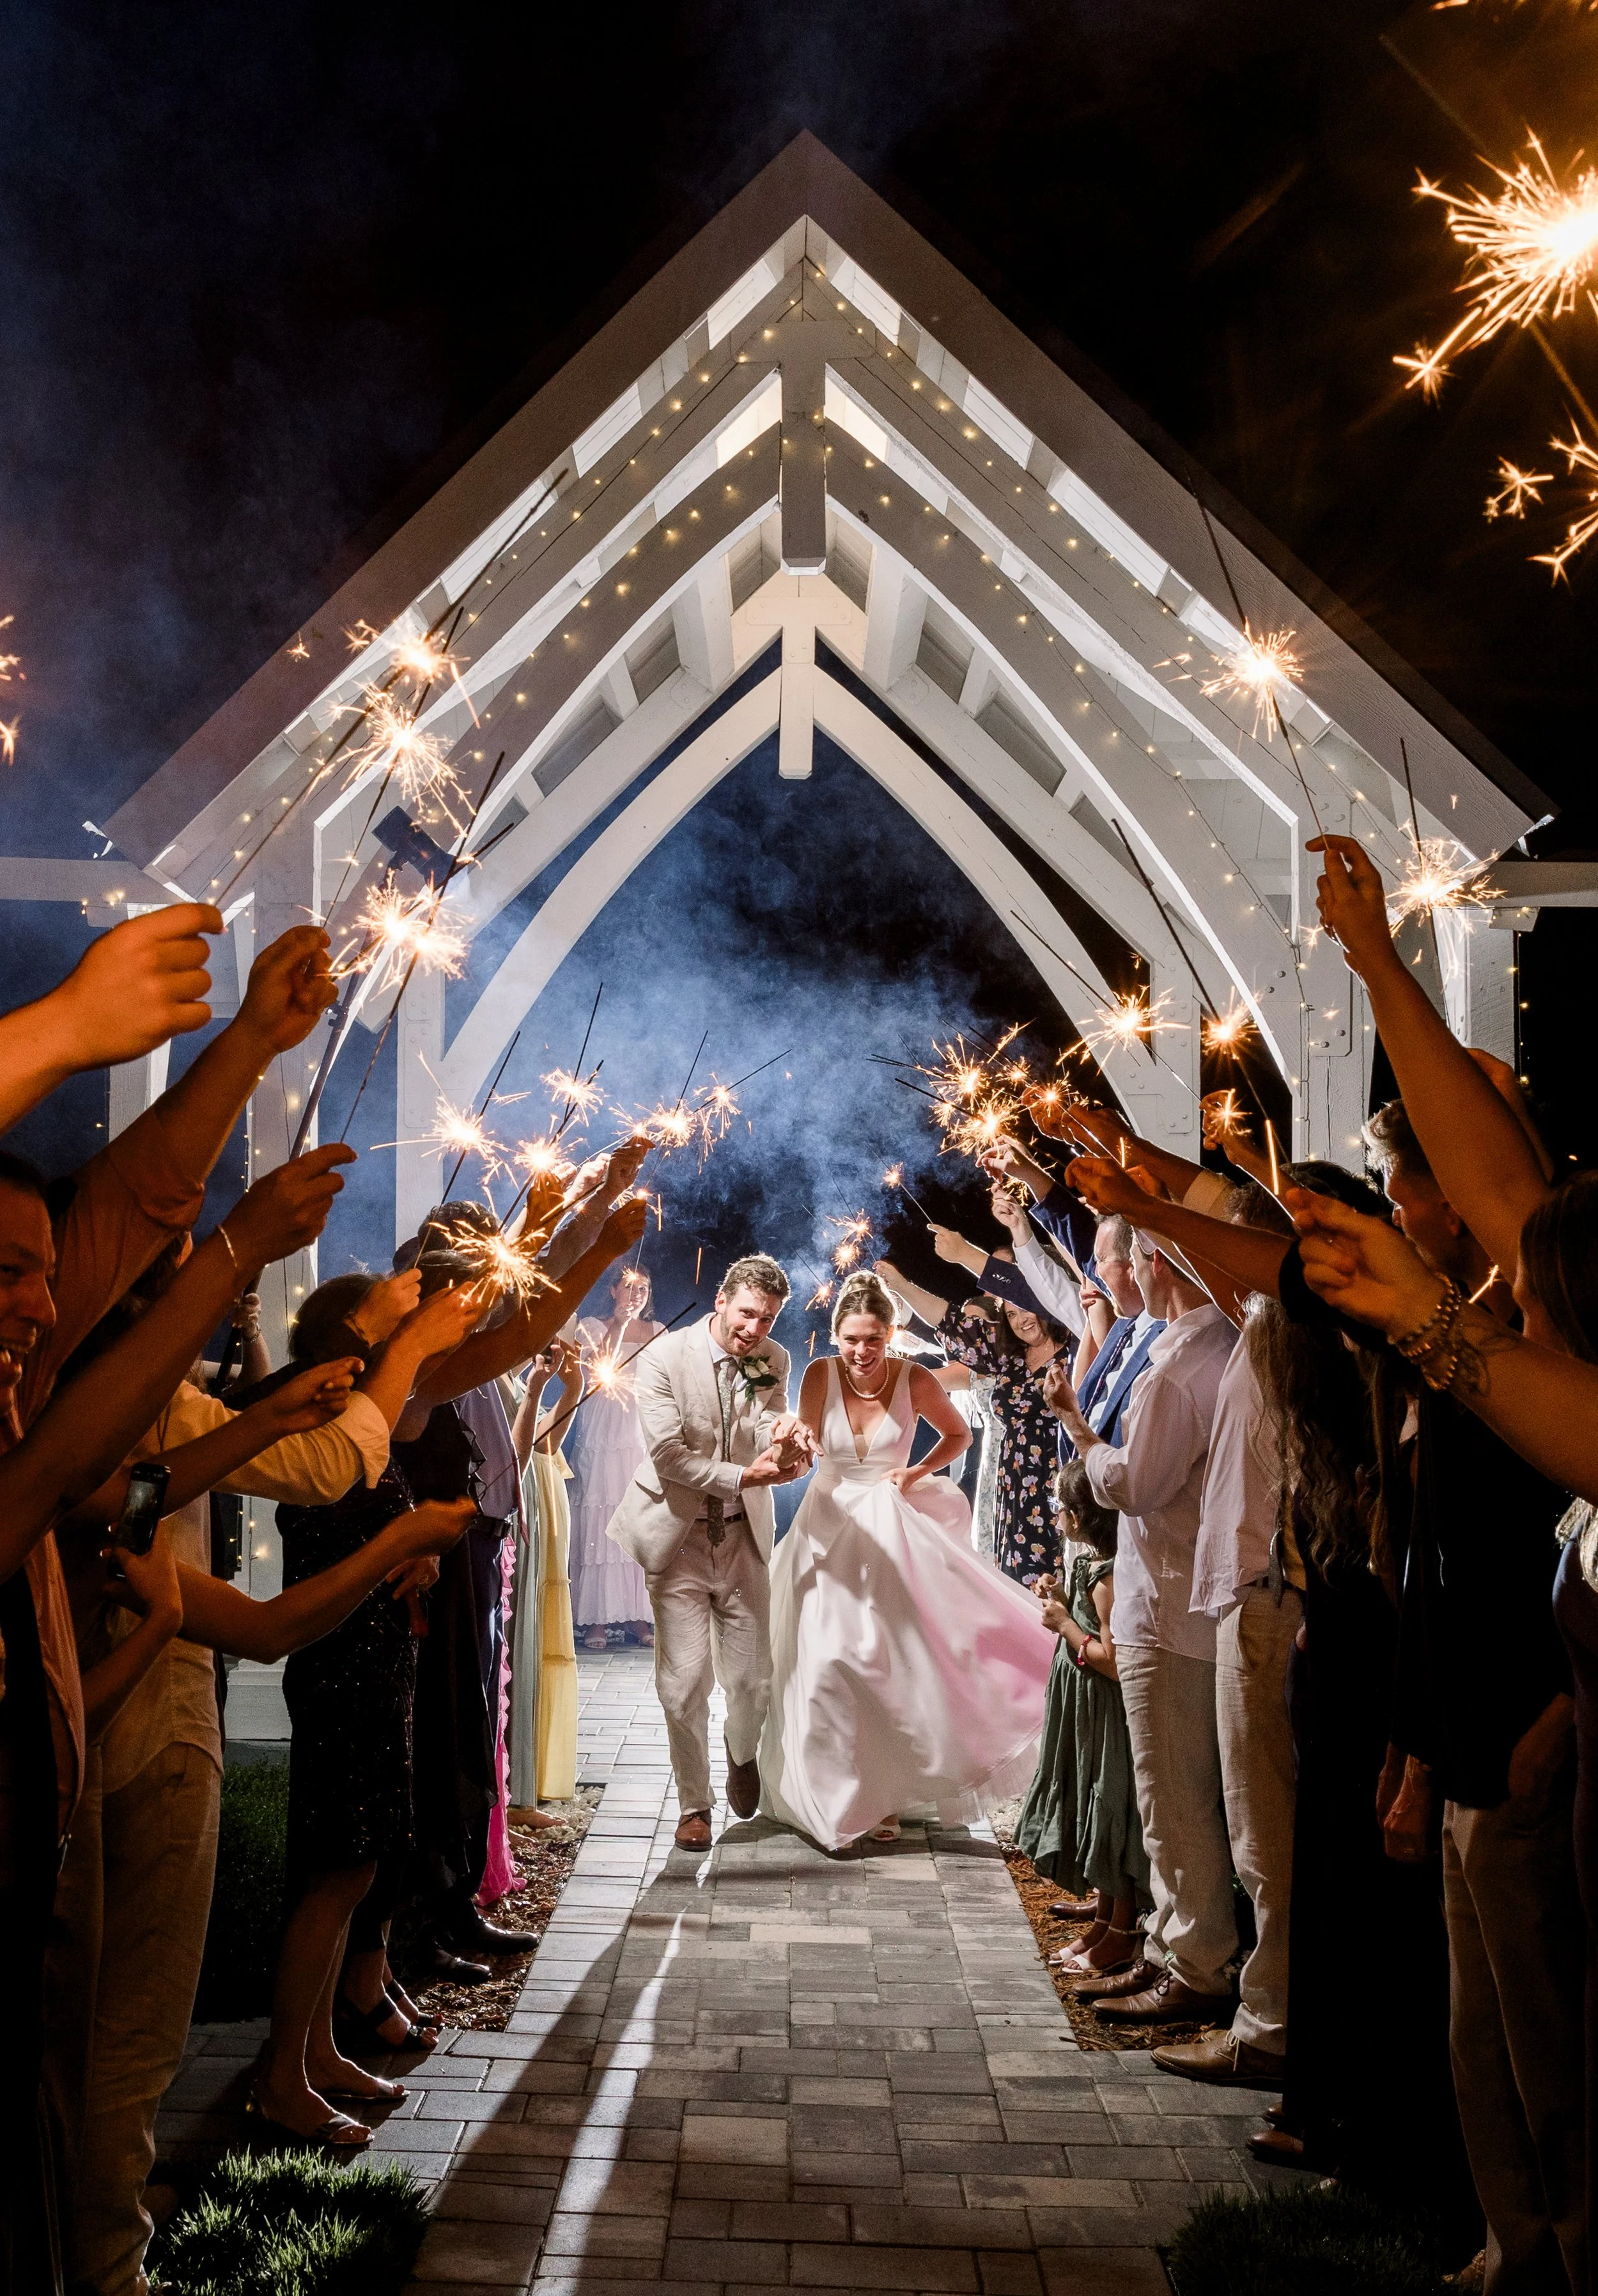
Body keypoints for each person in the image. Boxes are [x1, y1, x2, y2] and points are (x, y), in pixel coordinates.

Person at [759, 1270, 1051, 1851]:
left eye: (873, 1339)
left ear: (891, 1335)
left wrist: (915, 1472)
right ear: (836, 1335)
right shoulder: (820, 1373)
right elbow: (808, 1440)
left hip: (890, 1526)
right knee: (825, 1663)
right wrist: (792, 1442)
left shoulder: (914, 1377)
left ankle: (886, 1792)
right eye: (852, 1339)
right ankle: (839, 1795)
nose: (863, 1351)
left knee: (887, 1663)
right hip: (828, 1526)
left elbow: (960, 1435)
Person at [1048, 1222, 1239, 2030]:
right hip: (1176, 1595)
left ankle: (1191, 1961)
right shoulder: (1205, 1348)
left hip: (1167, 1604)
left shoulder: (1184, 1364)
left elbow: (1133, 1482)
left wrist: (1080, 1428)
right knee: (1177, 1796)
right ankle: (1169, 1947)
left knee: (1175, 1799)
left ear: (1159, 1265)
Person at [606, 1253, 805, 1850]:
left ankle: (741, 1753)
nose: (755, 1330)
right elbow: (668, 1454)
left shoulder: (773, 1358)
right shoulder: (663, 1356)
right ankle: (695, 1803)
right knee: (685, 1681)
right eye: (747, 1313)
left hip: (744, 1537)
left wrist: (788, 1435)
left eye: (767, 1319)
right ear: (722, 1300)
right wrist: (746, 1476)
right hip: (679, 1535)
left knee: (752, 1681)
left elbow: (770, 1415)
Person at [1015, 1458, 1148, 1970]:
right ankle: (1102, 1922)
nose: (1054, 1517)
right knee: (1089, 1797)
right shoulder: (1088, 1563)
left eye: (1058, 1508)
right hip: (1080, 1707)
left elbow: (1112, 1659)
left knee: (1107, 1801)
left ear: (1077, 1516)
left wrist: (1066, 1623)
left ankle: (1120, 1929)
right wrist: (1060, 1599)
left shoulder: (1109, 1576)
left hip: (1104, 1710)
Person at [877, 1258, 1069, 1589]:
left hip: (1056, 1480)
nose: (1021, 1320)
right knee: (1012, 1578)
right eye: (1011, 1314)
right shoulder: (1009, 1355)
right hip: (1010, 1480)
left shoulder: (1076, 1349)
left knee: (1053, 1579)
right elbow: (951, 1324)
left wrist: (962, 1251)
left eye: (1025, 1308)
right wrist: (902, 1287)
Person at [568, 1265, 662, 1649]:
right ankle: (596, 1620)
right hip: (601, 1434)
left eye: (643, 1287)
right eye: (629, 1287)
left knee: (637, 1519)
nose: (636, 1294)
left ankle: (639, 1618)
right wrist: (620, 1326)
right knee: (600, 1518)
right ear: (613, 1290)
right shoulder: (591, 1325)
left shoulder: (658, 1332)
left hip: (638, 1434)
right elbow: (600, 1366)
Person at [510, 1333, 583, 1814]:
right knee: (515, 1649)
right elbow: (517, 1456)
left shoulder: (512, 1381)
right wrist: (537, 1390)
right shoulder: (485, 1381)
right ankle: (511, 1793)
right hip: (518, 1517)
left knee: (533, 1647)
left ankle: (526, 1783)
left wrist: (572, 1388)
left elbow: (546, 1443)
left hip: (540, 1510)